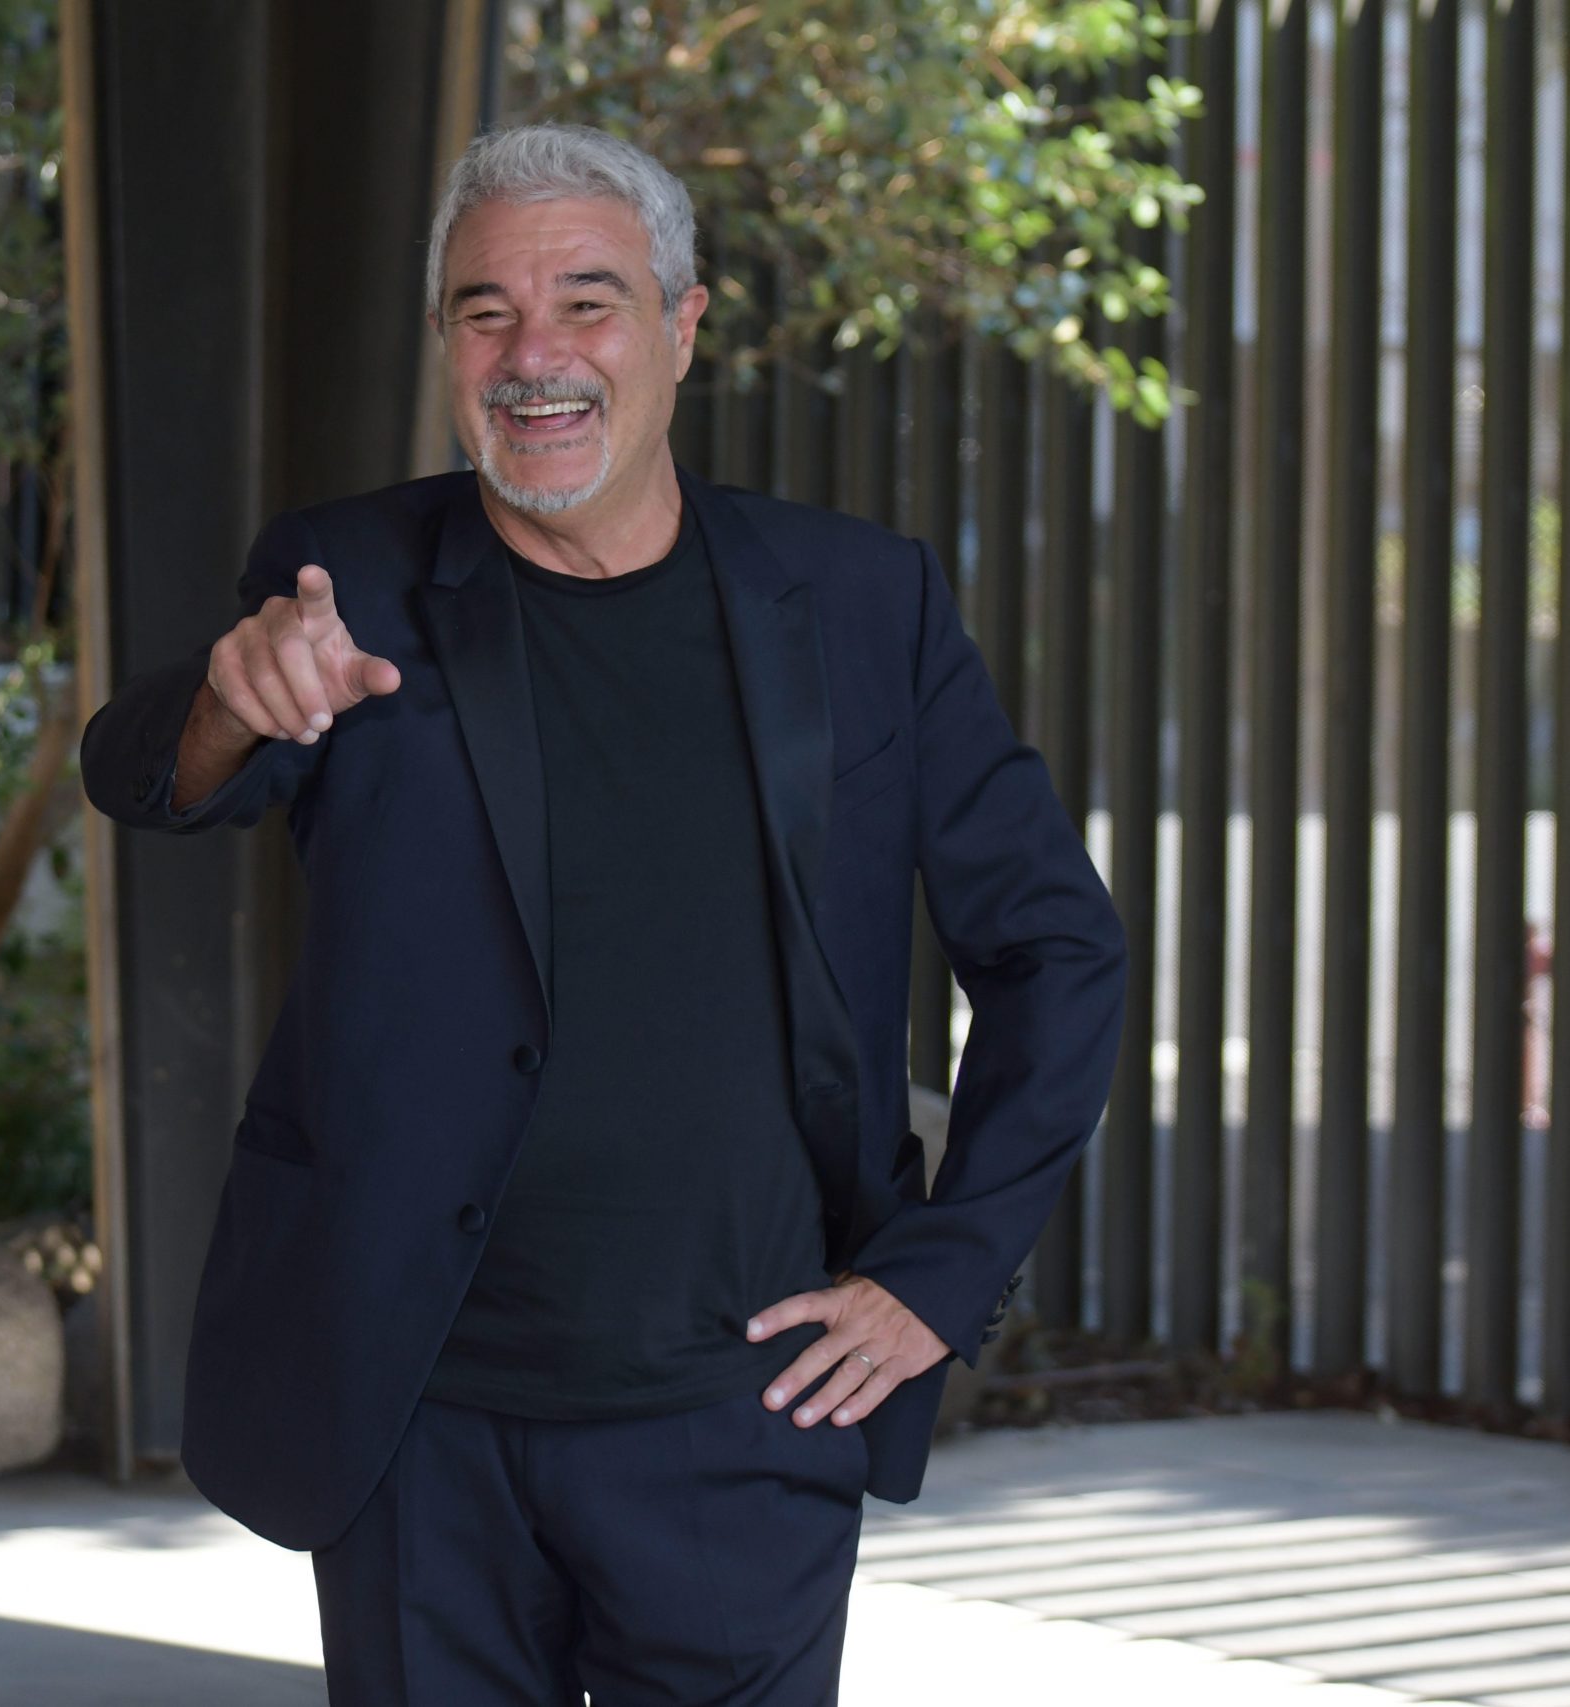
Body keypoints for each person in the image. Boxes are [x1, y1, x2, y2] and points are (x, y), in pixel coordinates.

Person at [78, 120, 1126, 1705]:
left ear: (682, 326)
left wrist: (942, 1274)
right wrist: (231, 699)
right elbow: (146, 774)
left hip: (747, 1413)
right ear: (446, 344)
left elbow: (1058, 953)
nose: (534, 356)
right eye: (485, 312)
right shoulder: (348, 580)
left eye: (588, 301)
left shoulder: (859, 603)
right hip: (420, 1419)